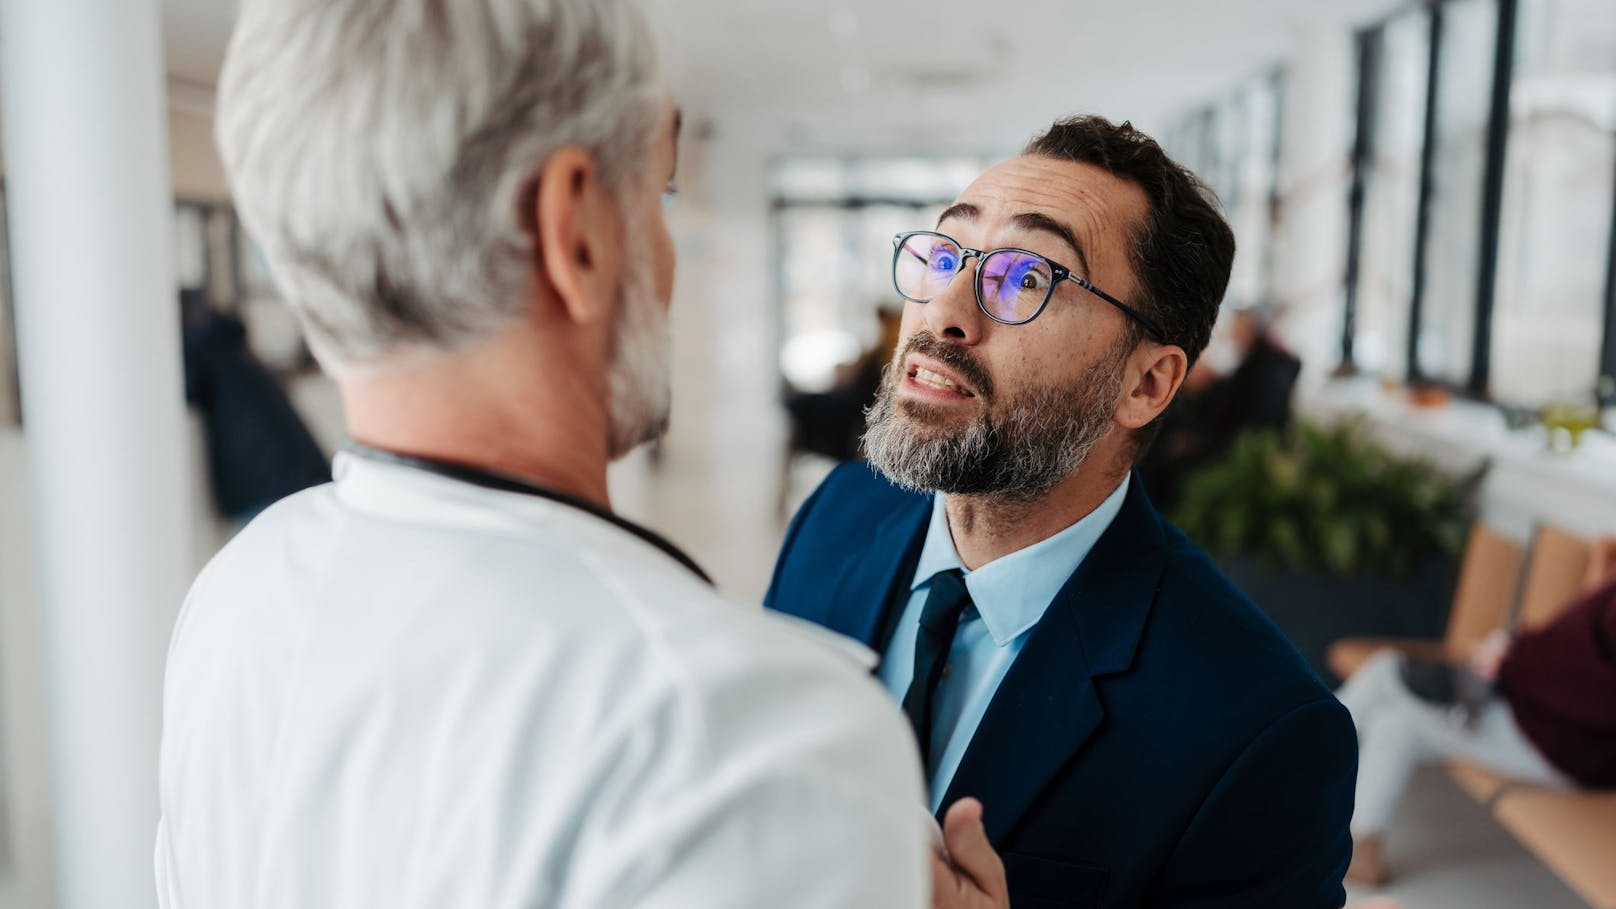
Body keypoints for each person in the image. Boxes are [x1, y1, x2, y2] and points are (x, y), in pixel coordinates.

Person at [155, 1, 941, 905]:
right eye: (659, 195)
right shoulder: (760, 734)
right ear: (575, 231)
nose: (666, 249)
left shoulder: (235, 592)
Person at [766, 115, 1358, 908]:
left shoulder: (1257, 731)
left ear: (1146, 382)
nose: (945, 310)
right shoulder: (839, 513)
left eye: (1026, 279)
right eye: (947, 255)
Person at [1340, 538, 1616, 886]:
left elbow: (1598, 693)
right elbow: (1573, 646)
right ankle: (1360, 841)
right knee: (1394, 718)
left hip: (1563, 744)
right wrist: (1511, 651)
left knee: (1388, 676)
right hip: (1534, 712)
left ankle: (1294, 763)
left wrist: (1512, 661)